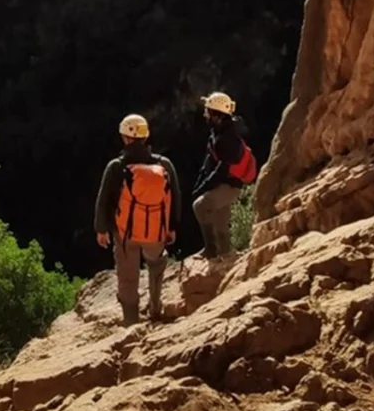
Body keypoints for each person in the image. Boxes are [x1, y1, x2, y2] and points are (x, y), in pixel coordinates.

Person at [94, 114, 181, 325]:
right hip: (155, 231)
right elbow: (175, 197)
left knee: (127, 276)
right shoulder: (164, 164)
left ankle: (131, 322)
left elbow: (104, 200)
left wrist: (102, 229)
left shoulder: (116, 167)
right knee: (157, 263)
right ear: (145, 136)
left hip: (124, 233)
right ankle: (155, 308)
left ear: (124, 137)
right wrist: (172, 227)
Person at [191, 91, 256, 259]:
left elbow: (222, 170)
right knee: (220, 218)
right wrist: (201, 184)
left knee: (200, 206)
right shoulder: (219, 132)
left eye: (208, 111)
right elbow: (209, 163)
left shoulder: (228, 138)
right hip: (226, 183)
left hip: (231, 184)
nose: (205, 115)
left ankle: (211, 251)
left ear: (216, 115)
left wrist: (203, 188)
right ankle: (226, 254)